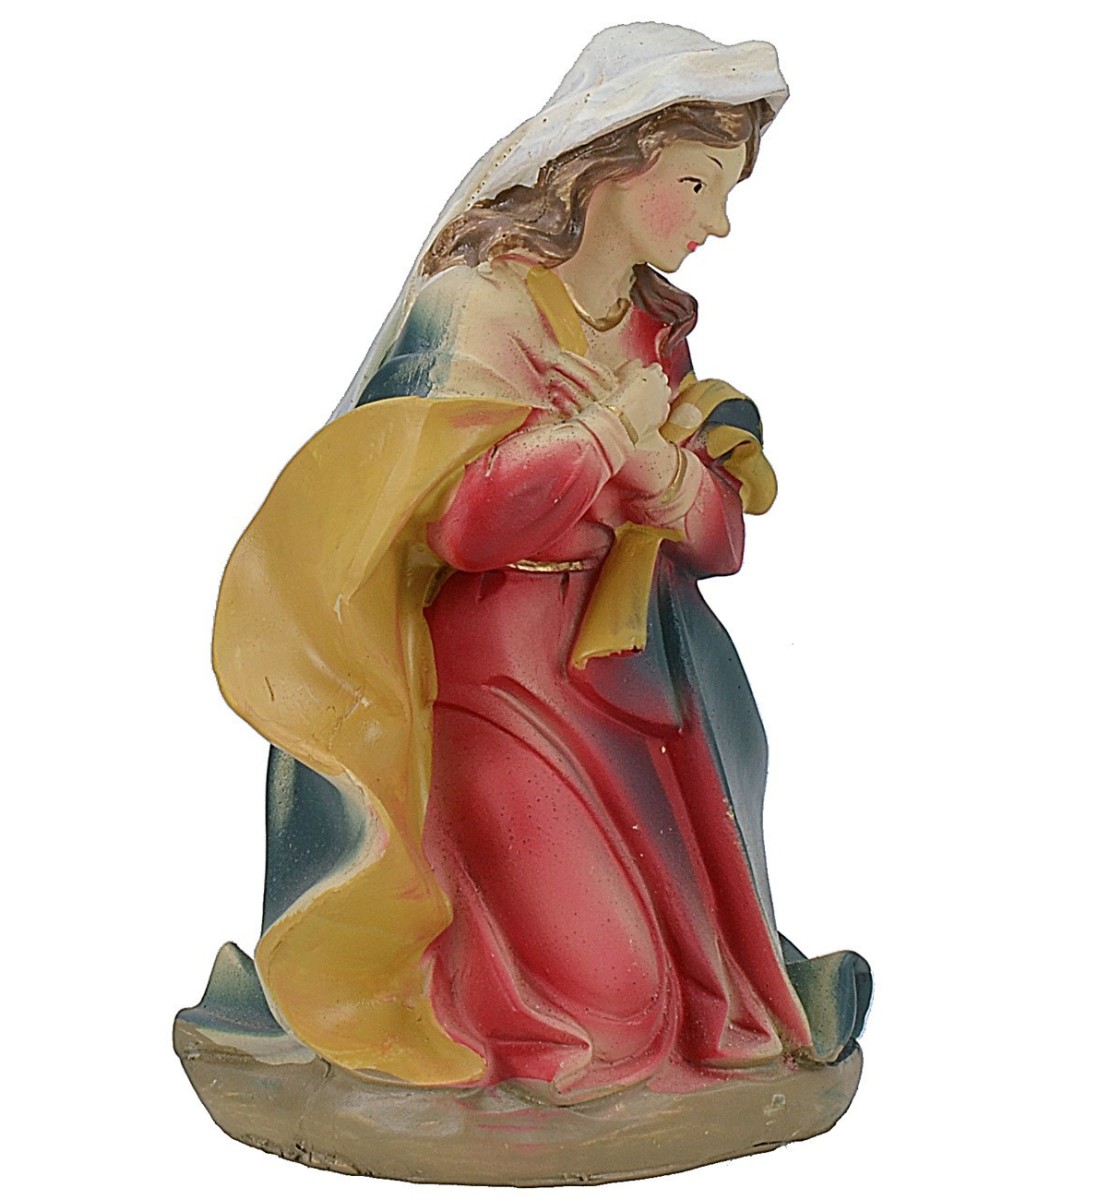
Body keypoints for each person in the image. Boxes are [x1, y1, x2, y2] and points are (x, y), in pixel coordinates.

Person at [205, 23, 870, 1101]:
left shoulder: (652, 329)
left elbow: (719, 540)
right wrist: (603, 437)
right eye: (696, 184)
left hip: (636, 679)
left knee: (686, 998)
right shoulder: (481, 305)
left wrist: (654, 468)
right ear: (610, 161)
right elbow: (468, 527)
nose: (717, 222)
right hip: (496, 672)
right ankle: (448, 975)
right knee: (608, 1017)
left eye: (726, 191)